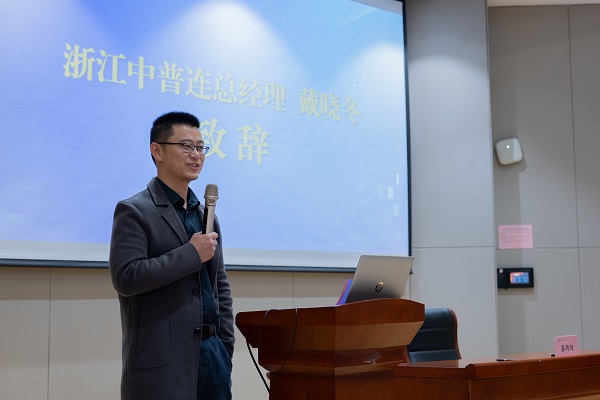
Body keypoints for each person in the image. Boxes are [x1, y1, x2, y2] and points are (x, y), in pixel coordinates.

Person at [109, 111, 235, 400]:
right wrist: (191, 253)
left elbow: (220, 285)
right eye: (186, 146)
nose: (196, 155)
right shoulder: (134, 210)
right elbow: (126, 277)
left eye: (200, 147)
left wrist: (225, 344)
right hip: (163, 364)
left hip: (213, 355)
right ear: (157, 151)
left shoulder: (206, 215)